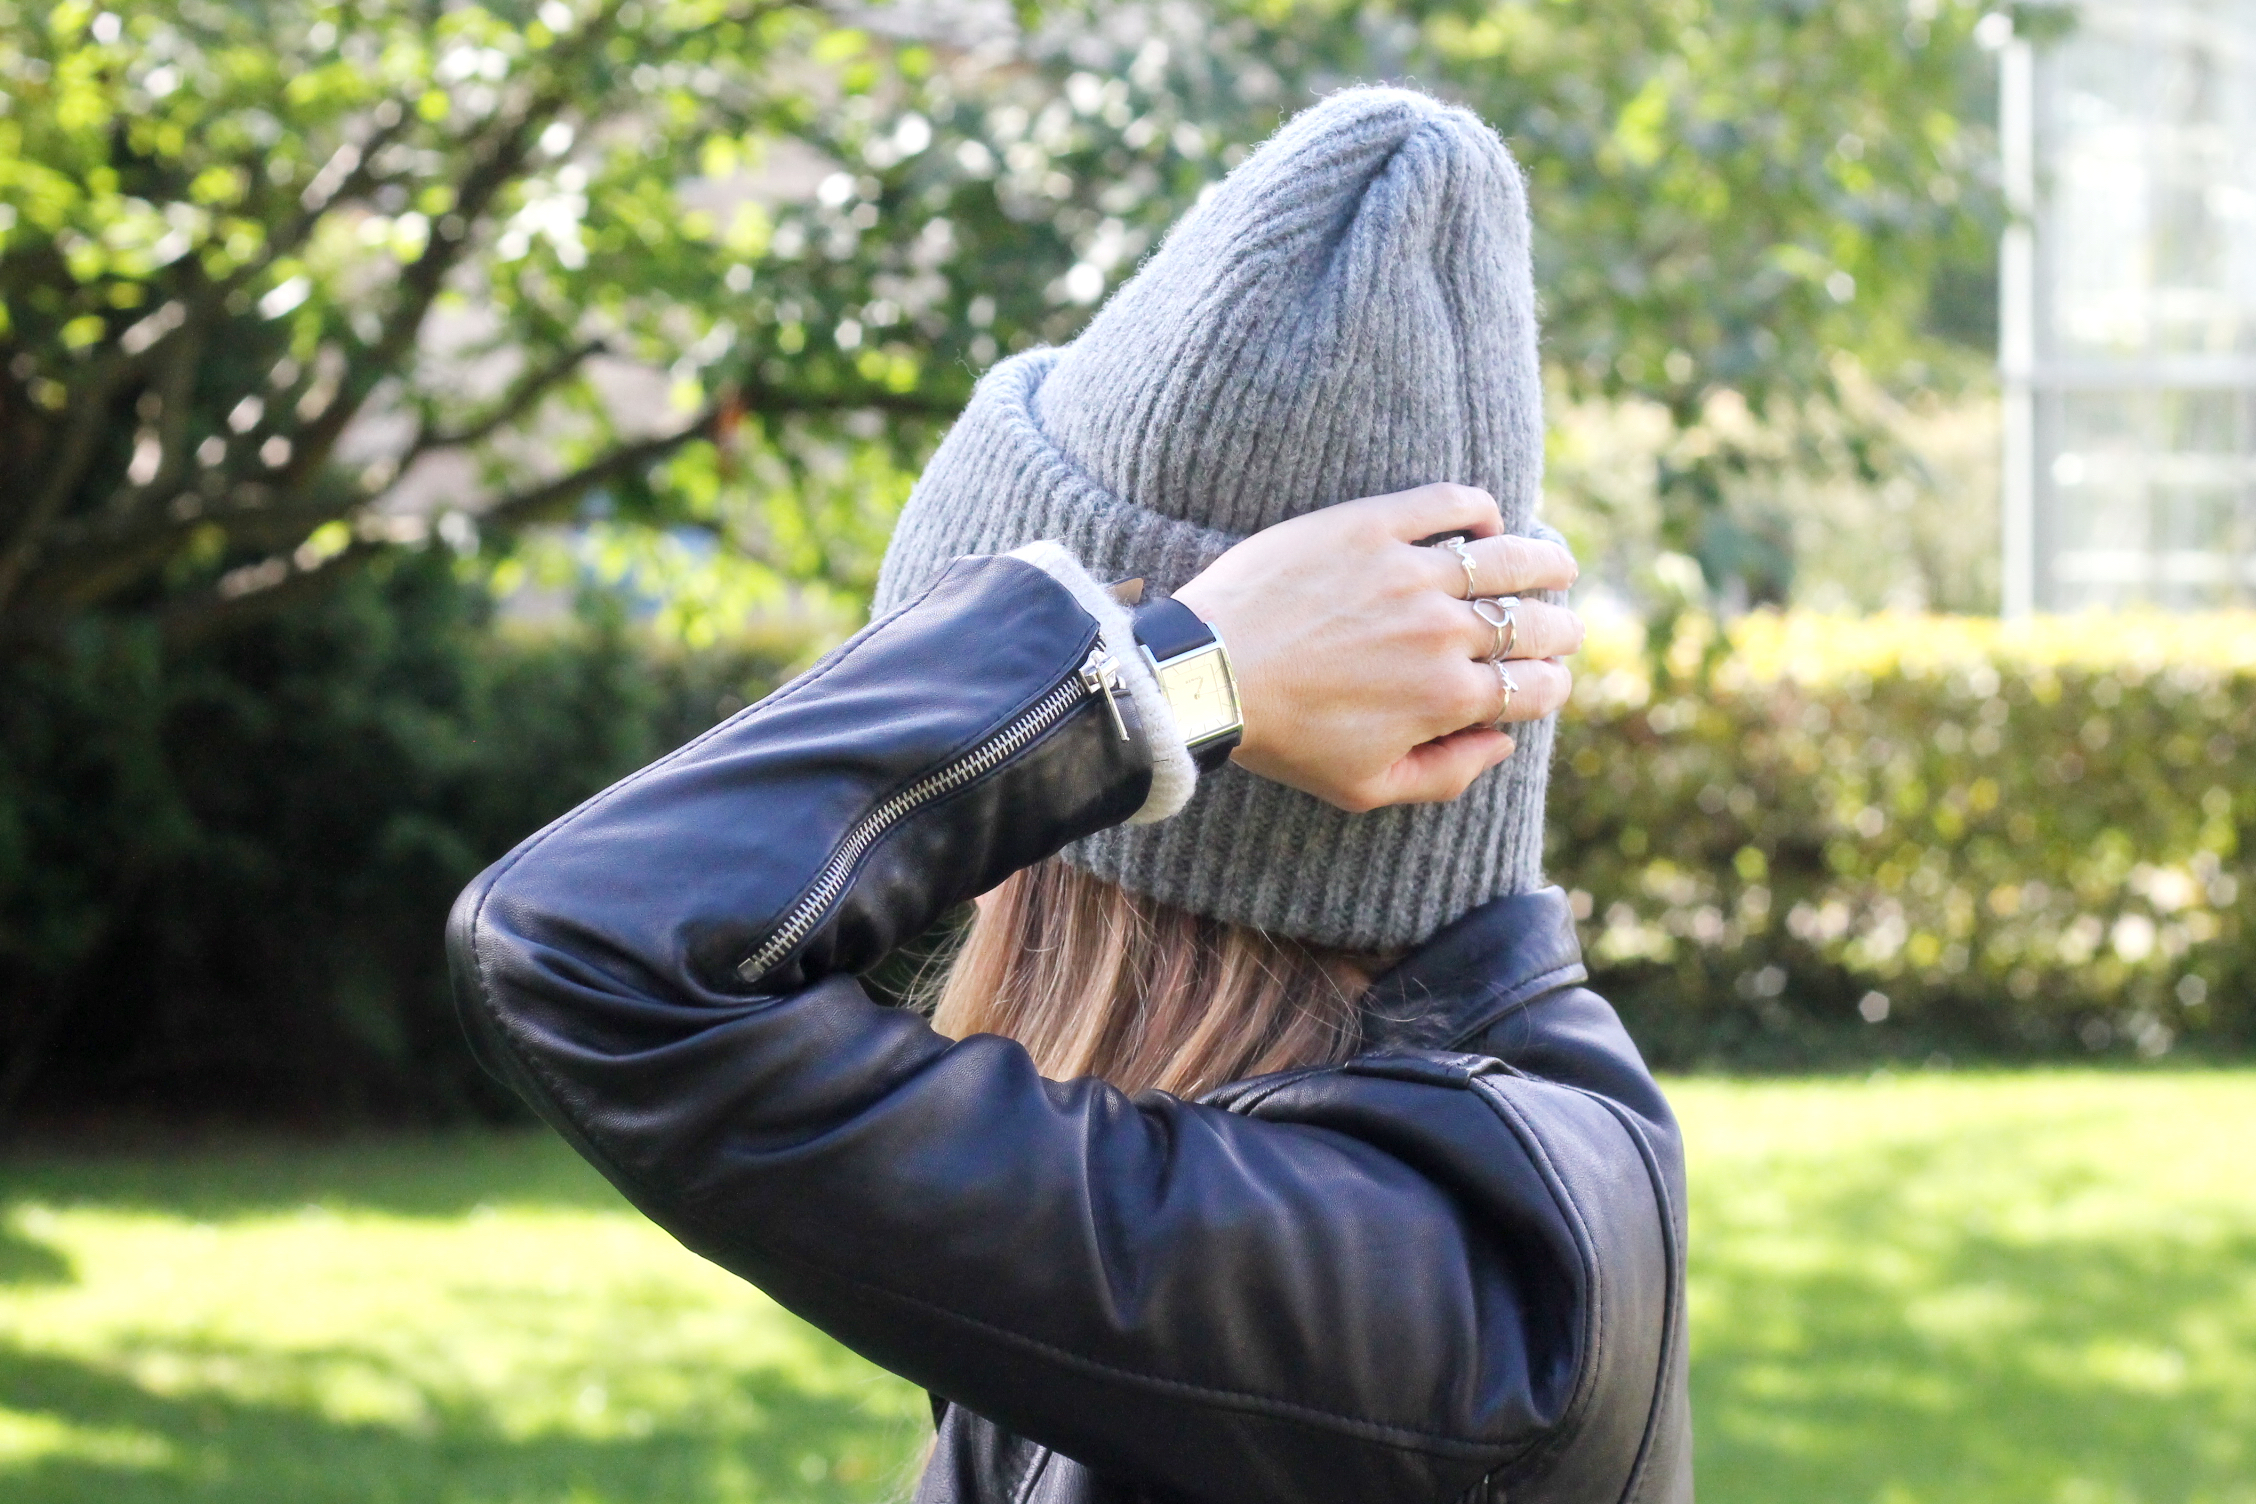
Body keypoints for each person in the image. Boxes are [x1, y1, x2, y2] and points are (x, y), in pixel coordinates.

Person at [449, 88, 1690, 1504]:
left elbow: (581, 949)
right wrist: (1164, 677)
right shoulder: (1361, 1203)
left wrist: (1172, 676)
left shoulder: (1442, 1286)